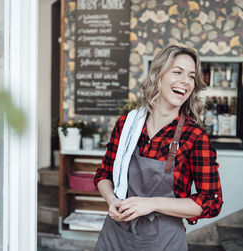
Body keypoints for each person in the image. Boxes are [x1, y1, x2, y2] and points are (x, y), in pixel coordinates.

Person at [94, 45, 223, 251]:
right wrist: (112, 201)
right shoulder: (127, 125)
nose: (185, 81)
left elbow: (210, 201)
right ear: (158, 75)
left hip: (164, 241)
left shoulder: (195, 137)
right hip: (115, 235)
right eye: (177, 72)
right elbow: (103, 174)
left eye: (191, 76)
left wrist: (151, 204)